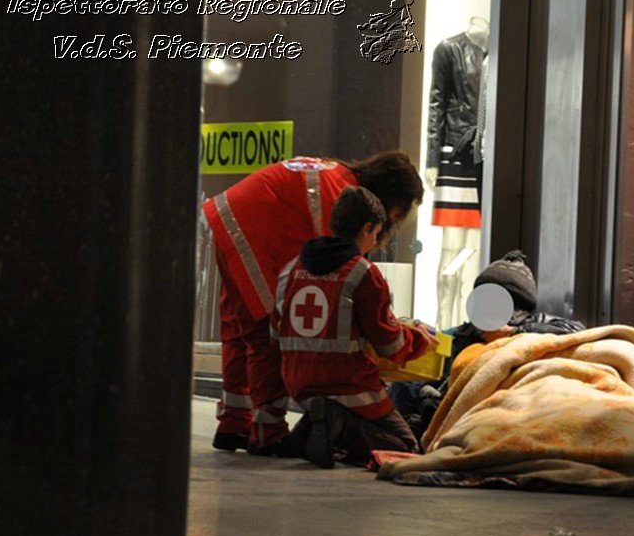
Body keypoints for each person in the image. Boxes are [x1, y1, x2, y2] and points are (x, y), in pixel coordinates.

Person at [203, 153, 423, 455]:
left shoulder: (337, 178)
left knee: (238, 328)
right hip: (251, 225)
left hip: (231, 216)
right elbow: (336, 285)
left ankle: (234, 421)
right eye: (395, 215)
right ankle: (269, 432)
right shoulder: (345, 201)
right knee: (264, 333)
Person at [272, 186, 436, 469]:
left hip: (299, 383)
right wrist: (420, 337)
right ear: (367, 228)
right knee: (405, 446)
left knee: (339, 418)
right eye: (375, 234)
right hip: (350, 386)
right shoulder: (363, 273)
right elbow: (390, 345)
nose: (373, 243)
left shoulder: (291, 269)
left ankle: (315, 427)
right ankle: (338, 425)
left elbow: (276, 333)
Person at [390, 249, 586, 440]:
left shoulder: (537, 326)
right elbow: (435, 350)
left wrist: (515, 333)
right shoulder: (463, 335)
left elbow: (577, 331)